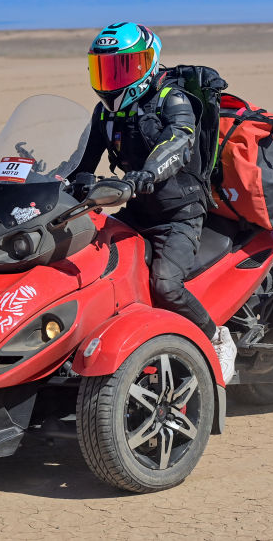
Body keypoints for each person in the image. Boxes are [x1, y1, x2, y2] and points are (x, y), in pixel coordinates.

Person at [76, 22, 237, 382]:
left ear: (147, 64)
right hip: (136, 210)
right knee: (89, 266)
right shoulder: (105, 114)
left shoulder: (173, 100)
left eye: (121, 68)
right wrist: (57, 181)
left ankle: (216, 337)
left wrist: (147, 174)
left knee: (165, 284)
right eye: (103, 69)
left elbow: (178, 142)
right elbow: (82, 163)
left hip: (179, 213)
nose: (111, 79)